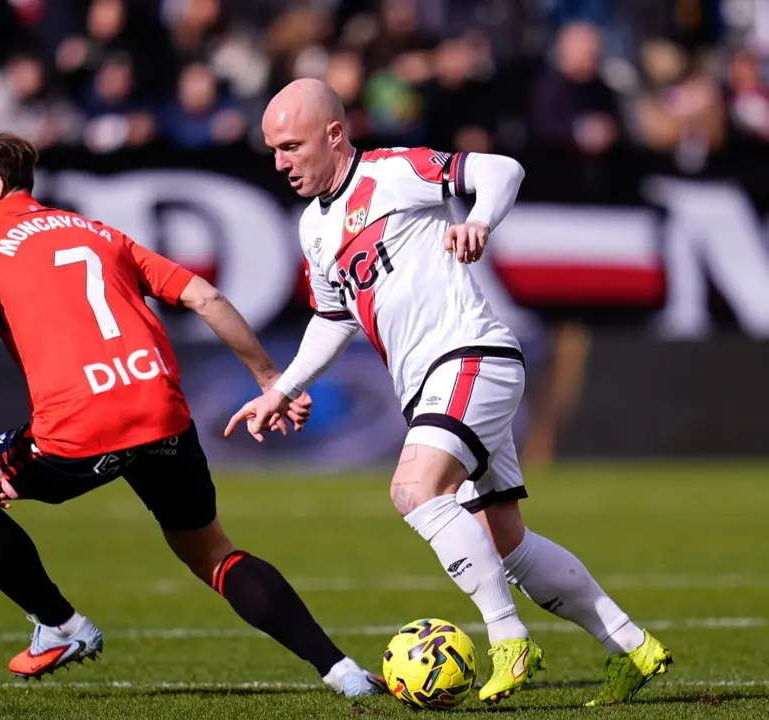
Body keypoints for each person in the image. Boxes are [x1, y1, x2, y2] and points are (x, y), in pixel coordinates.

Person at [226, 78, 673, 707]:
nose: (281, 162)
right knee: (504, 539)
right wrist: (282, 386)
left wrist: (480, 221)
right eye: (273, 149)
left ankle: (508, 638)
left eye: (292, 146)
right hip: (436, 378)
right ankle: (630, 645)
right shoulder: (312, 229)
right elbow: (333, 319)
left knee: (413, 489)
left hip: (468, 355)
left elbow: (503, 169)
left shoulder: (393, 172)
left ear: (334, 134)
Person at [0, 131, 386, 697]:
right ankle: (343, 673)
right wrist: (271, 379)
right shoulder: (97, 231)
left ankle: (61, 625)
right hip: (162, 414)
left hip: (79, 433)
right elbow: (205, 298)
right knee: (214, 553)